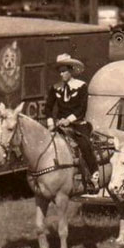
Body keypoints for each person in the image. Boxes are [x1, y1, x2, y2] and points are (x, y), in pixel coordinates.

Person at [44, 53, 98, 192]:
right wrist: (51, 123)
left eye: (64, 71)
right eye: (60, 72)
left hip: (77, 123)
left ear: (71, 70)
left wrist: (68, 120)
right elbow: (48, 107)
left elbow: (82, 108)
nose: (62, 74)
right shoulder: (55, 88)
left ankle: (94, 176)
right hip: (59, 125)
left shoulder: (81, 86)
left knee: (84, 145)